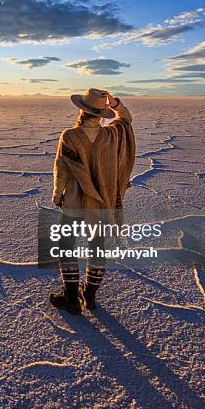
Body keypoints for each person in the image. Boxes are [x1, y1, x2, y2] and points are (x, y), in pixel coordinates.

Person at [50, 88, 135, 314]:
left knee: (66, 246)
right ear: (101, 114)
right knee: (97, 247)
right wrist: (116, 104)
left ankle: (71, 300)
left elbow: (62, 171)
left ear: (81, 110)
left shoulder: (70, 136)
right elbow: (126, 120)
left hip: (74, 202)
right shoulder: (111, 135)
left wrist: (58, 195)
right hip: (101, 201)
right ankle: (89, 296)